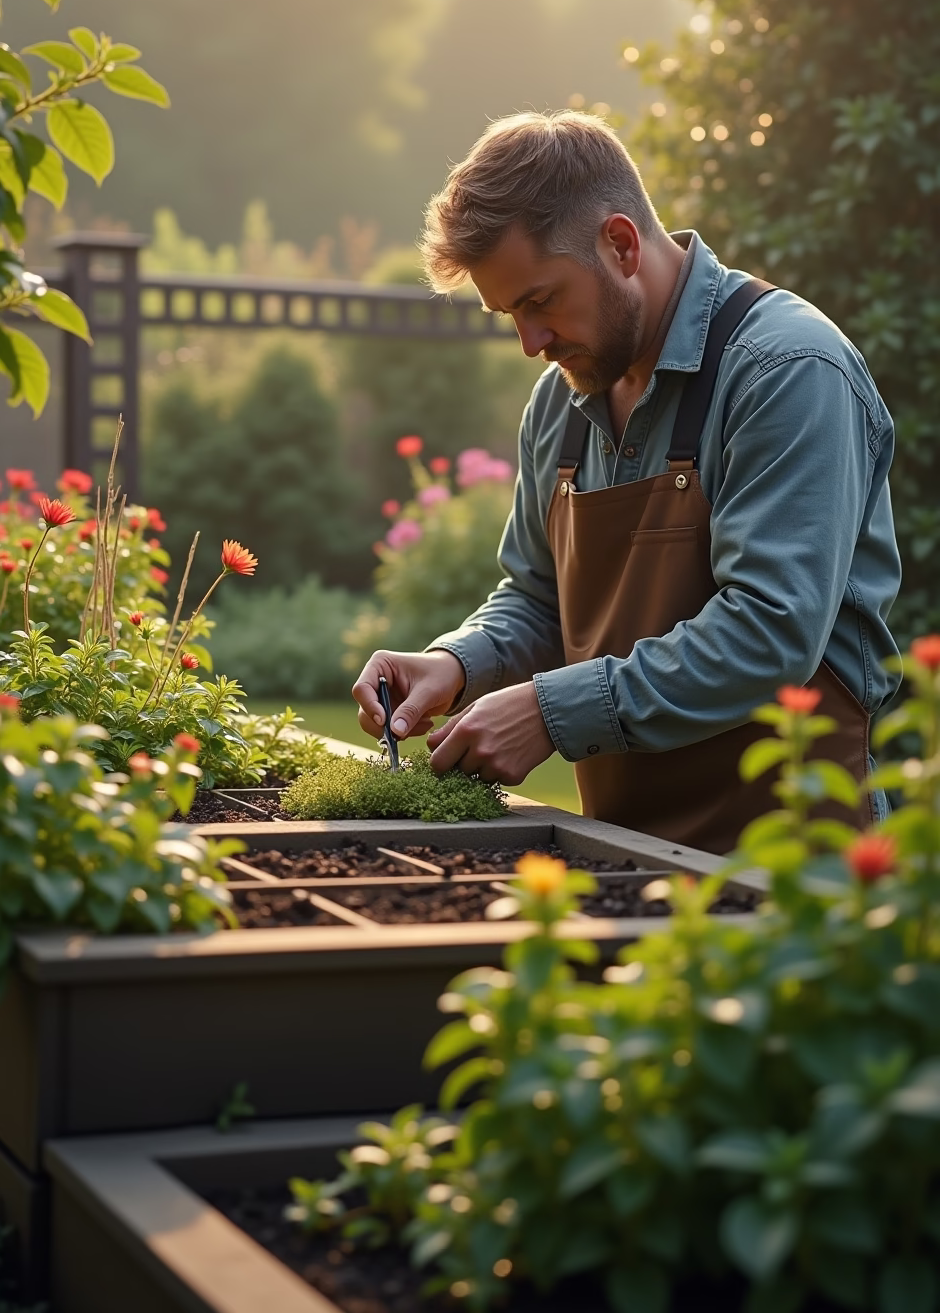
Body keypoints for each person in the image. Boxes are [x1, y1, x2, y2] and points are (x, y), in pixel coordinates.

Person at [352, 112, 901, 852]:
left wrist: (550, 713)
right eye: (510, 314)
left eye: (540, 300)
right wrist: (458, 661)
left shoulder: (787, 371)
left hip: (798, 872)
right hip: (624, 857)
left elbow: (770, 632)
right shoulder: (562, 401)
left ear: (620, 243)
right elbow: (539, 597)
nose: (529, 344)